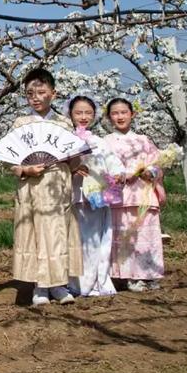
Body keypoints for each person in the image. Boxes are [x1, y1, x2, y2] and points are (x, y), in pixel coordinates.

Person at [10, 67, 82, 306]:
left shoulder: (64, 123)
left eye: (41, 92)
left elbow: (74, 161)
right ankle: (40, 287)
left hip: (58, 184)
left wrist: (76, 156)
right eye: (30, 93)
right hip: (31, 186)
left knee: (58, 233)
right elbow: (11, 159)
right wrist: (25, 169)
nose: (36, 98)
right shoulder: (21, 123)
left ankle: (59, 285)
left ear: (53, 93)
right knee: (35, 234)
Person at [103, 98, 167, 291]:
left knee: (147, 235)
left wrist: (151, 172)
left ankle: (149, 274)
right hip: (120, 195)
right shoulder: (105, 142)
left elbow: (158, 164)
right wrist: (119, 176)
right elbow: (101, 169)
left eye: (124, 112)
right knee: (125, 236)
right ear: (109, 117)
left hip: (143, 193)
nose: (120, 116)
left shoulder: (144, 140)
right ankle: (128, 276)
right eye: (115, 113)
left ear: (132, 114)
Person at [66, 96, 117, 297]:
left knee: (95, 241)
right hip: (74, 195)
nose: (83, 117)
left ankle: (94, 282)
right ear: (70, 114)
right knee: (76, 241)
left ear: (94, 115)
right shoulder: (65, 139)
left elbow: (112, 163)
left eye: (88, 112)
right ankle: (75, 283)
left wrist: (117, 174)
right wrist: (73, 168)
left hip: (96, 197)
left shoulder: (99, 141)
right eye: (78, 112)